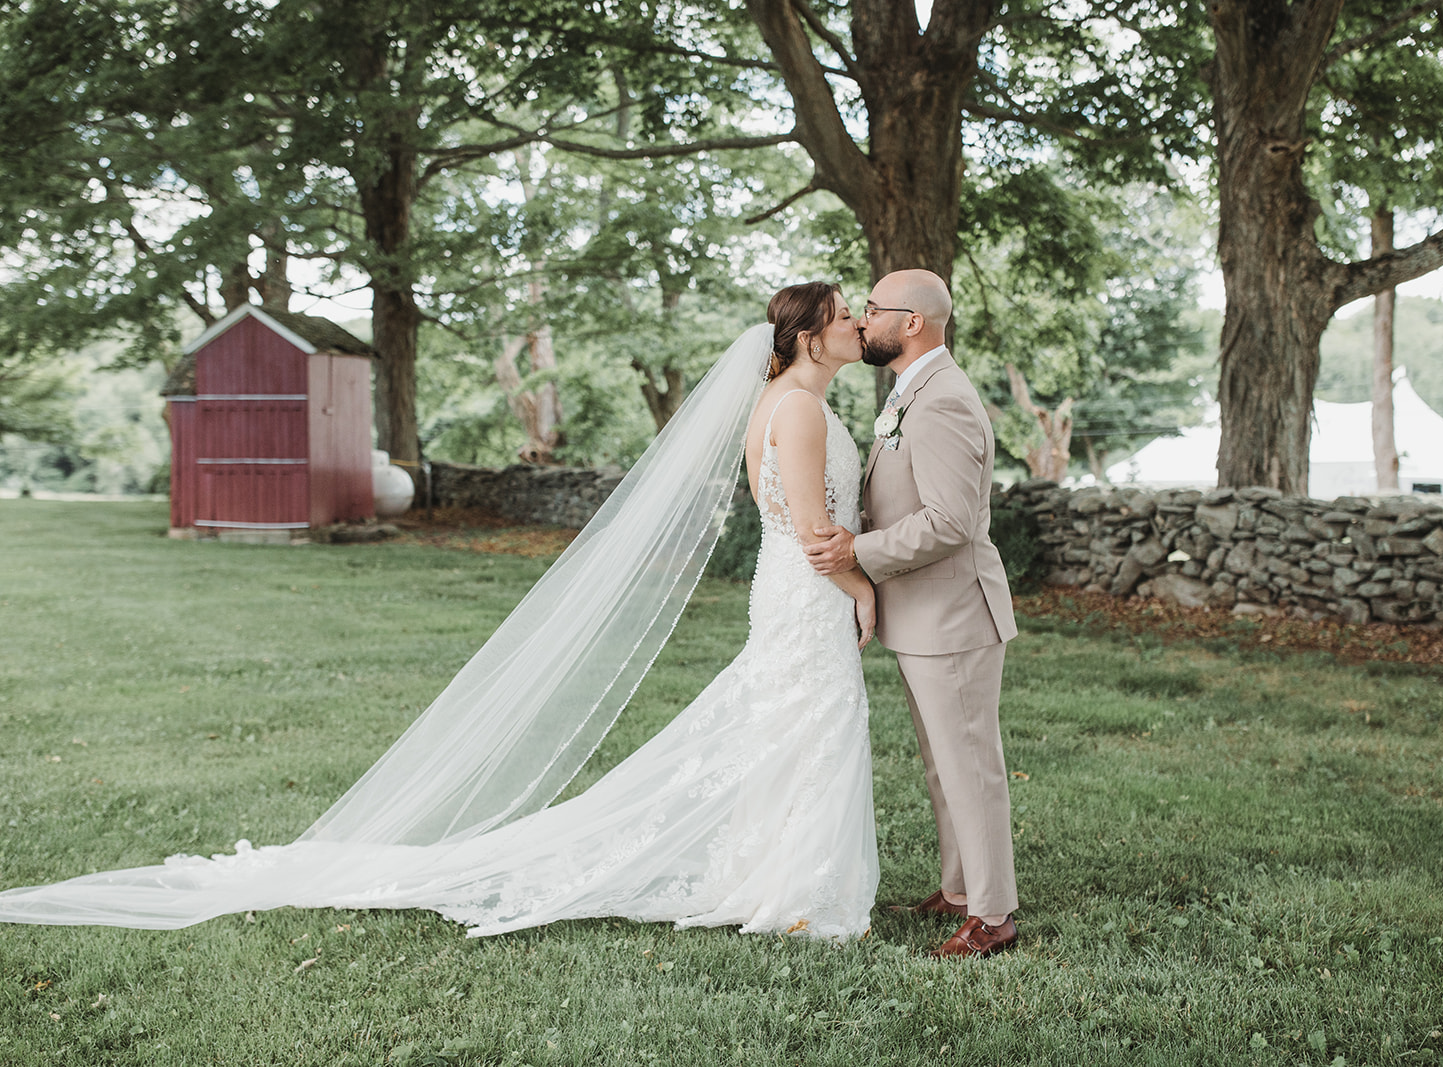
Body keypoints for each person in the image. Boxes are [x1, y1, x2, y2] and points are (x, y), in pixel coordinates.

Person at [0, 283, 880, 941]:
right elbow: (812, 534)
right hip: (805, 592)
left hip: (790, 593)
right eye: (846, 314)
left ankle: (782, 879)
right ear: (809, 335)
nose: (857, 325)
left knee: (793, 733)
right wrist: (864, 586)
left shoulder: (790, 402)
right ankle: (795, 891)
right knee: (808, 724)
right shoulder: (797, 410)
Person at [805, 269, 1020, 958]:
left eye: (872, 310)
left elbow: (951, 521)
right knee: (941, 764)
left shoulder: (942, 400)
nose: (862, 320)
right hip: (925, 615)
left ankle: (993, 915)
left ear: (913, 323)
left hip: (954, 614)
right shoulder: (911, 392)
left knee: (970, 766)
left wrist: (858, 549)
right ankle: (959, 889)